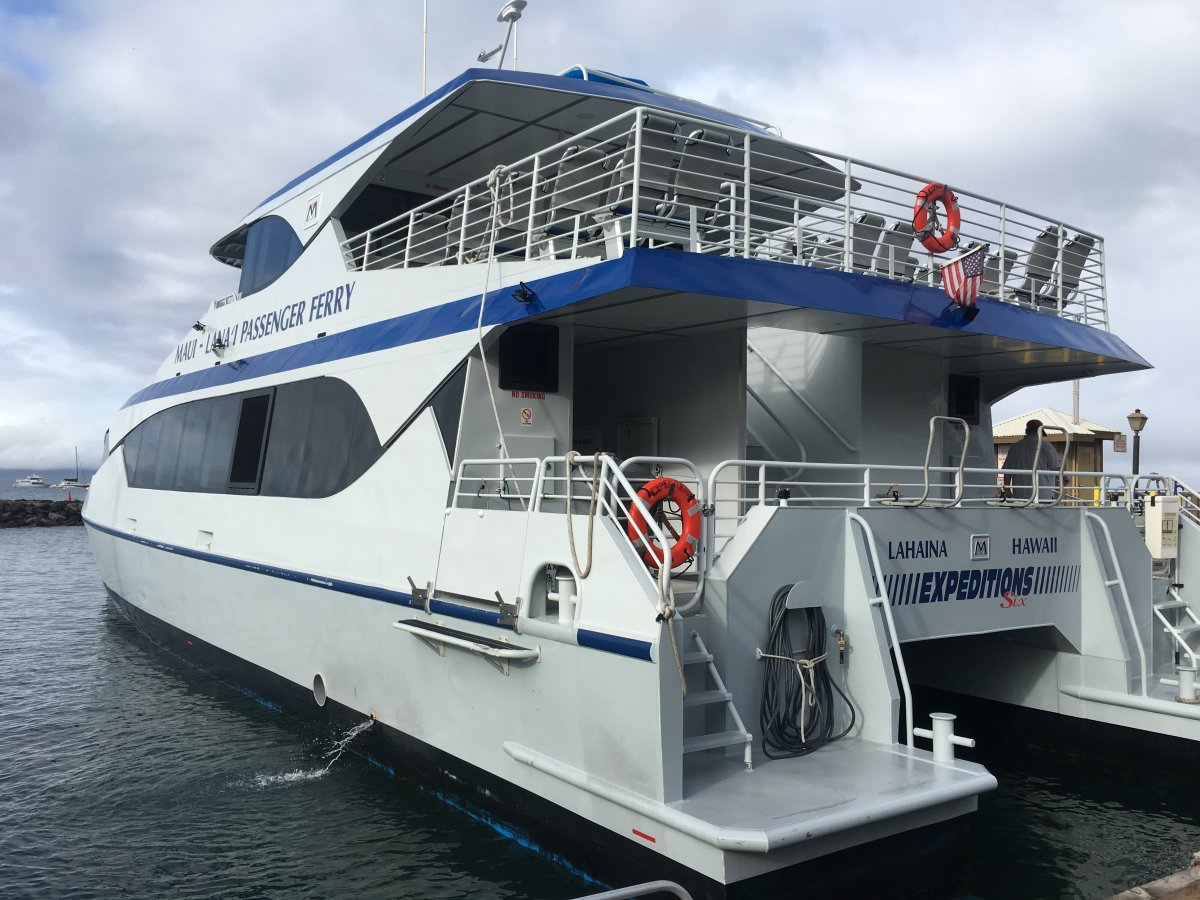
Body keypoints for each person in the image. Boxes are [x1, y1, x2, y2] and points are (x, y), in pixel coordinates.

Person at [1002, 419, 1062, 502]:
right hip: (1042, 495)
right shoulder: (1046, 445)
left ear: (1027, 431)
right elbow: (1056, 467)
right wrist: (1065, 477)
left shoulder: (1015, 447)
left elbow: (1007, 472)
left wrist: (1008, 490)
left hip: (1020, 496)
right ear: (1040, 431)